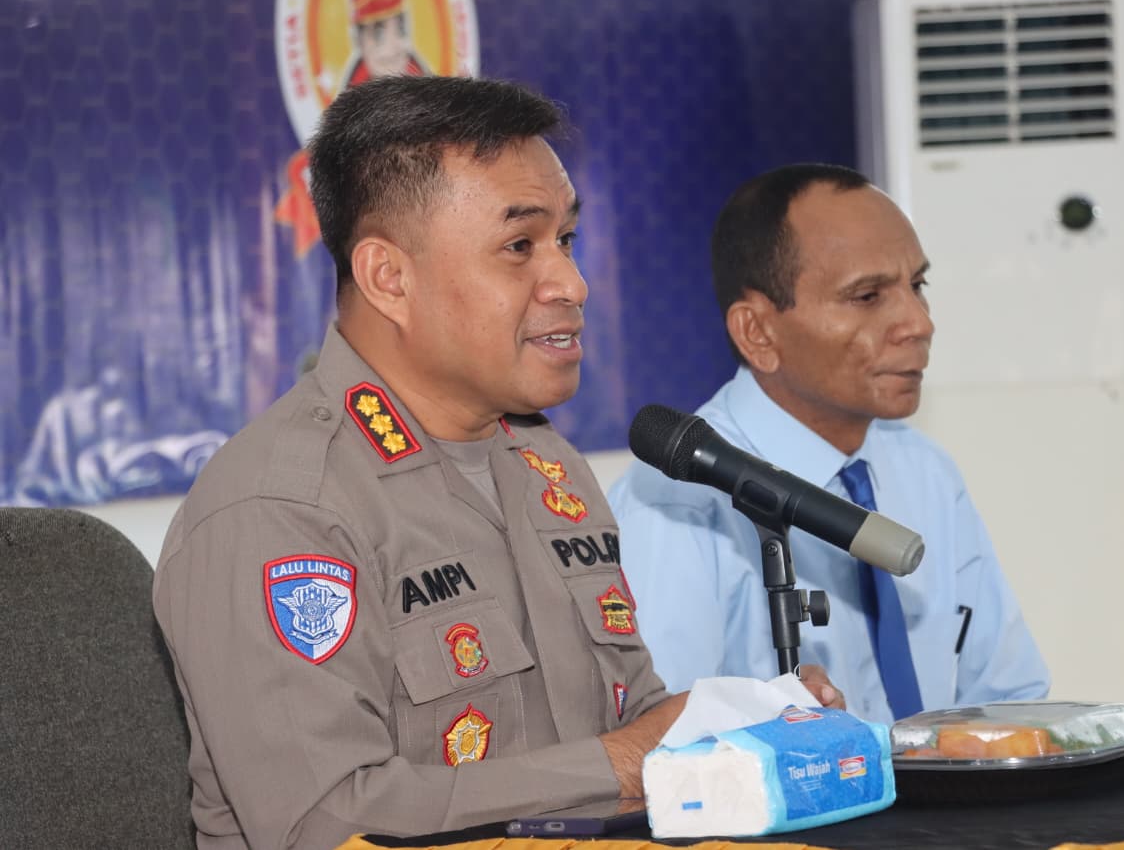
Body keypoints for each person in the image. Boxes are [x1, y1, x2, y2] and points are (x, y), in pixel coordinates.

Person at [153, 78, 842, 850]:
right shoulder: (281, 506)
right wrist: (621, 763)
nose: (572, 283)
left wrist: (731, 727)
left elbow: (626, 717)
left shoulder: (548, 464)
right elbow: (327, 820)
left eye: (566, 240)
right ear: (388, 278)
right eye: (520, 247)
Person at [608, 163, 1050, 726]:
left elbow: (1008, 699)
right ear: (758, 332)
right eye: (867, 296)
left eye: (918, 286)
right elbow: (662, 744)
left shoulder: (924, 470)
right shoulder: (674, 505)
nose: (918, 323)